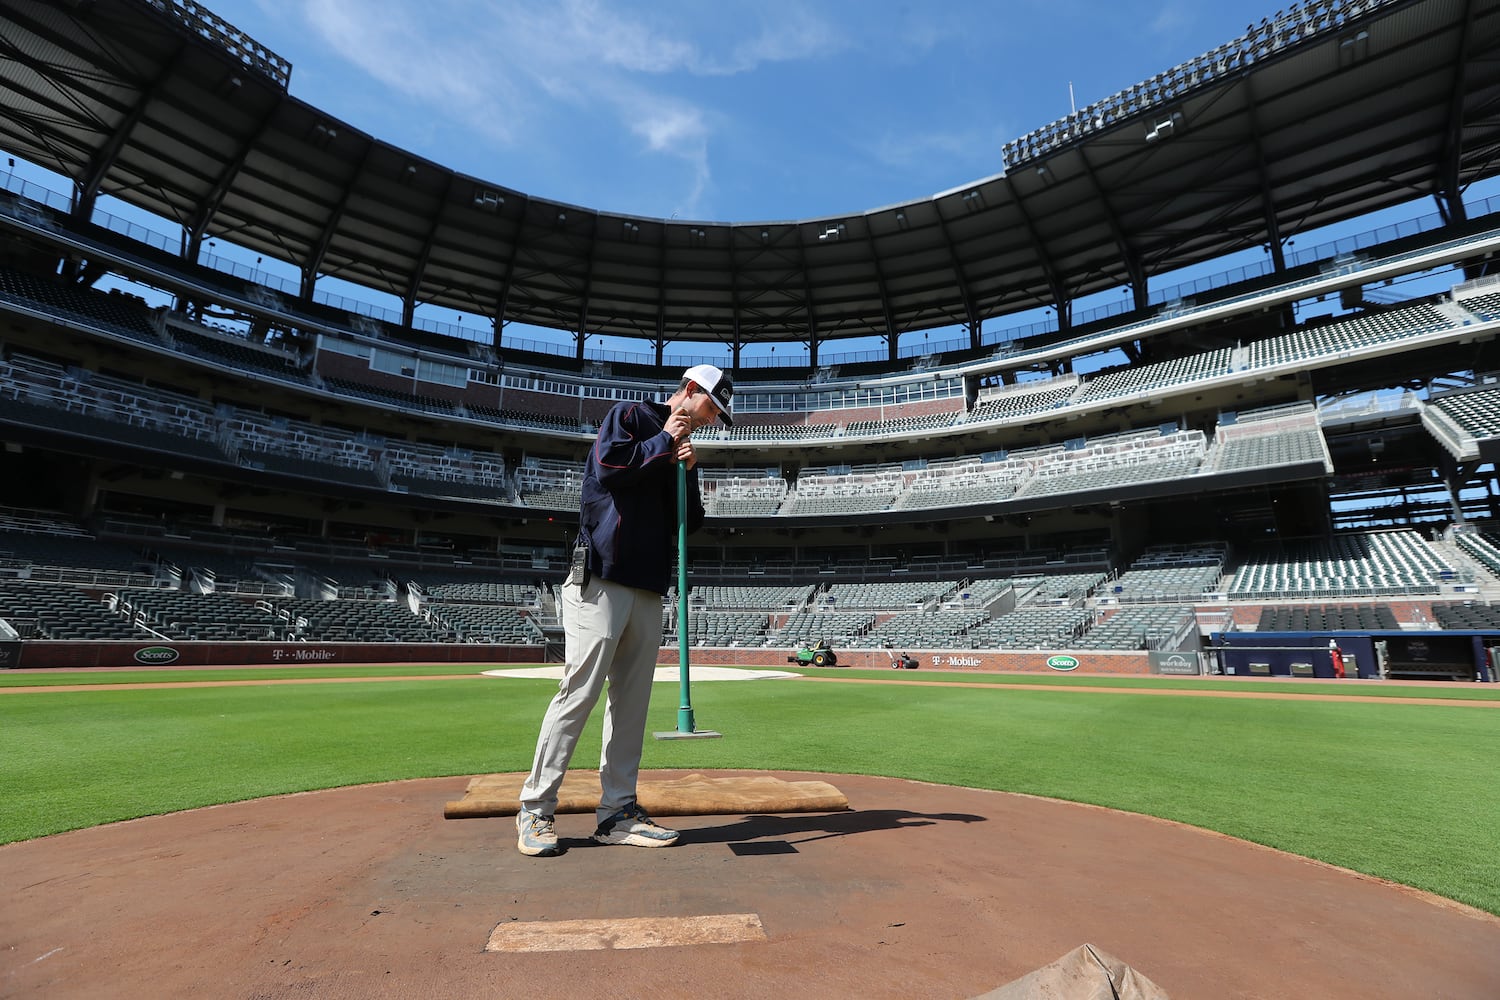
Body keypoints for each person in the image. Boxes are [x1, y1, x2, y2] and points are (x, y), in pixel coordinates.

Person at [515, 363, 734, 857]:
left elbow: (688, 524)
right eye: (710, 407)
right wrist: (663, 442)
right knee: (579, 693)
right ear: (691, 390)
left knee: (632, 706)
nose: (710, 418)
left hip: (648, 586)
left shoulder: (681, 448)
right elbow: (610, 469)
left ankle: (617, 812)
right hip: (601, 577)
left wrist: (687, 473)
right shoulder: (631, 415)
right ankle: (535, 809)